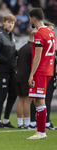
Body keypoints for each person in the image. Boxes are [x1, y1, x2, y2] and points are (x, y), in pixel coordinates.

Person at [27, 8, 56, 139]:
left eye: (29, 18)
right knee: (36, 100)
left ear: (33, 18)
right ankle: (40, 130)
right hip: (48, 70)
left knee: (40, 100)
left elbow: (37, 57)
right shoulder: (51, 32)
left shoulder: (38, 34)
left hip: (40, 70)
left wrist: (31, 74)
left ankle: (41, 132)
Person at [0, 14, 17, 128]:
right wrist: (6, 60)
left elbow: (13, 52)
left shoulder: (12, 36)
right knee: (2, 94)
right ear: (4, 23)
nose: (10, 25)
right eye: (8, 22)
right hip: (3, 70)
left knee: (13, 94)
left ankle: (6, 120)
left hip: (12, 69)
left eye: (12, 23)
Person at [16, 31, 37, 128]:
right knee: (28, 100)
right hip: (26, 76)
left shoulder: (21, 49)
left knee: (21, 100)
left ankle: (20, 123)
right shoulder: (32, 49)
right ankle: (28, 123)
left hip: (18, 76)